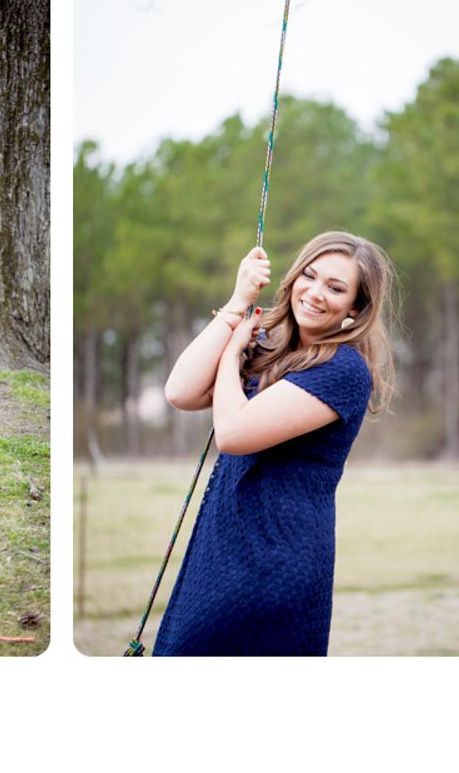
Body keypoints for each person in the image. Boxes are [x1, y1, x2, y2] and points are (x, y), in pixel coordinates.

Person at [151, 231, 396, 656]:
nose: (315, 293)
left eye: (335, 288)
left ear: (355, 308)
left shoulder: (343, 370)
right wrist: (234, 308)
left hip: (272, 563)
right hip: (222, 549)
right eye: (310, 276)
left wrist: (231, 357)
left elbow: (232, 434)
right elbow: (180, 392)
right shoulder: (272, 351)